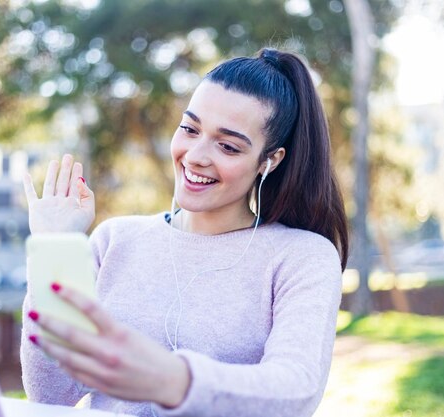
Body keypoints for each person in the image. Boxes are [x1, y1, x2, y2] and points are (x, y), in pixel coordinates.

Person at [20, 47, 349, 417]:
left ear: (269, 160)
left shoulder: (302, 257)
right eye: (190, 129)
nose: (195, 155)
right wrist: (54, 251)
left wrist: (174, 381)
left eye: (227, 145)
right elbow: (51, 394)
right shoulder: (115, 240)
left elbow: (296, 389)